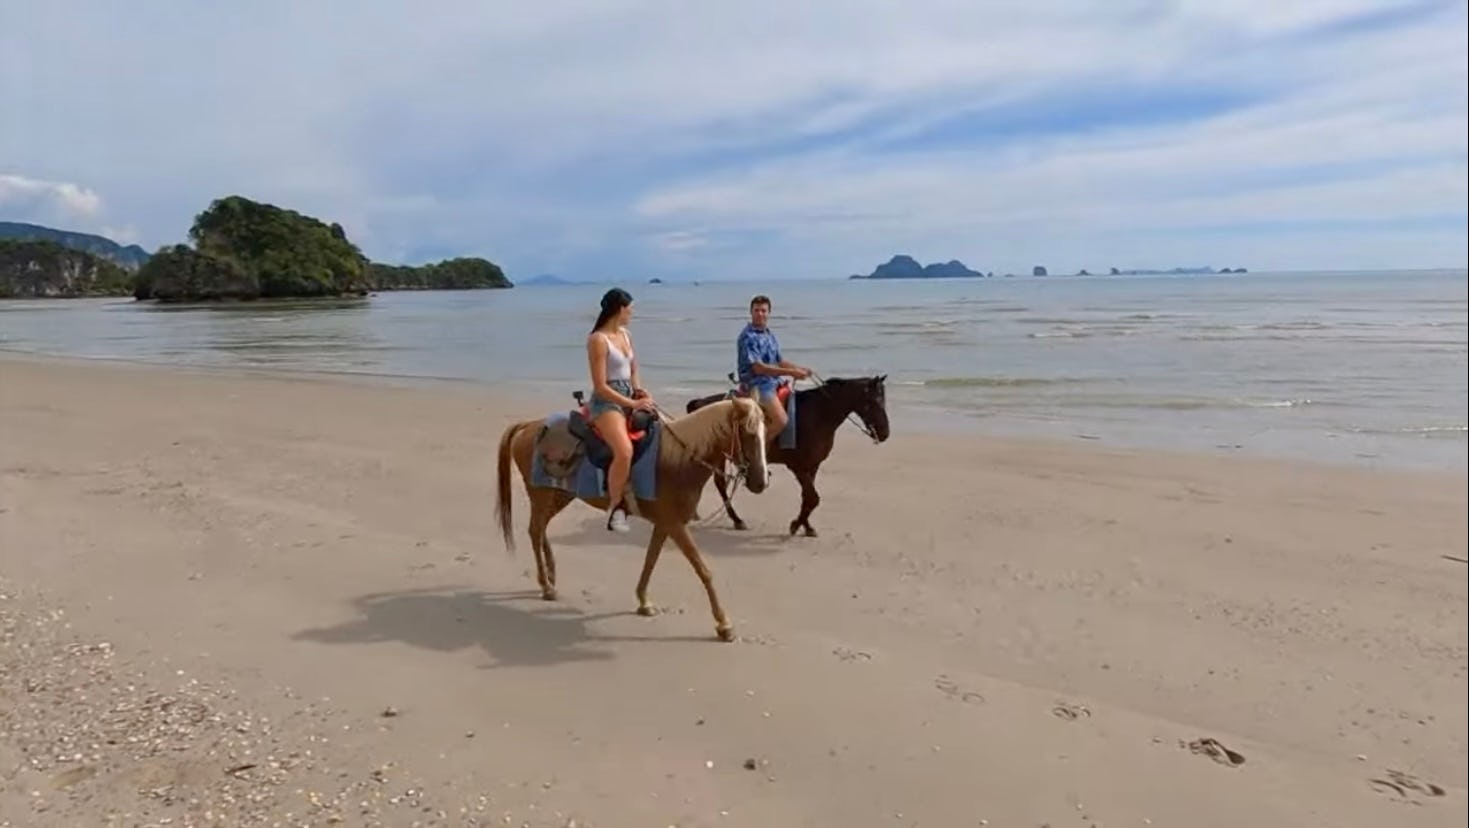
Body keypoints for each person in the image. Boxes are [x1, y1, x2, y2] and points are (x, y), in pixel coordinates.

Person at [586, 287, 656, 533]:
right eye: (630, 309)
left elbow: (634, 368)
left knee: (662, 432)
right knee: (624, 450)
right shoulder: (598, 340)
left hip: (628, 395)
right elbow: (601, 386)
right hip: (606, 403)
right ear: (619, 309)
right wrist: (632, 404)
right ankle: (616, 509)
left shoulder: (625, 335)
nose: (632, 313)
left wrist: (639, 391)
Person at [736, 294, 812, 436]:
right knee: (781, 421)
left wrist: (798, 369)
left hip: (772, 381)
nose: (760, 314)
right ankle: (756, 452)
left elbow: (779, 361)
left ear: (769, 313)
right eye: (756, 310)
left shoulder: (769, 335)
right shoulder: (748, 337)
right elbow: (759, 368)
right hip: (756, 384)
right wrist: (791, 373)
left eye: (763, 310)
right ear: (751, 312)